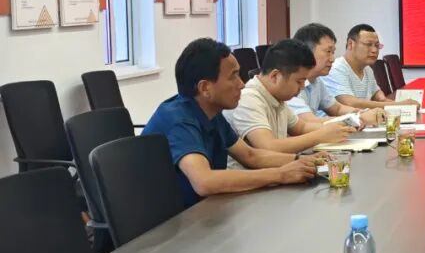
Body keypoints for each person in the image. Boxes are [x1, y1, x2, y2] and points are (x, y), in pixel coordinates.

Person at [142, 38, 321, 207]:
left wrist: (301, 161)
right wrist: (280, 175)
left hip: (205, 210)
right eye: (233, 77)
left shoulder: (213, 115)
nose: (241, 84)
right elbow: (204, 181)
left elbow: (251, 156)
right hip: (173, 222)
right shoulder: (178, 119)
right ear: (205, 88)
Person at [226, 39, 359, 155]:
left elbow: (301, 127)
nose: (302, 87)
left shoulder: (278, 98)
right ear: (275, 76)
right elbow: (268, 147)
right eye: (299, 81)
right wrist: (320, 135)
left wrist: (338, 127)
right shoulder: (248, 99)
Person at [288, 23, 382, 125]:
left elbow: (337, 108)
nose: (332, 59)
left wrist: (364, 113)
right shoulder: (291, 82)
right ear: (307, 52)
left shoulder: (317, 81)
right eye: (328, 51)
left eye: (333, 52)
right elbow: (308, 121)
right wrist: (359, 118)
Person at [326, 24, 420, 109]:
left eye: (377, 45)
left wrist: (399, 104)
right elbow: (350, 103)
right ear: (351, 44)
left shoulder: (367, 69)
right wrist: (399, 105)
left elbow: (378, 96)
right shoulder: (336, 68)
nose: (374, 50)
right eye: (368, 44)